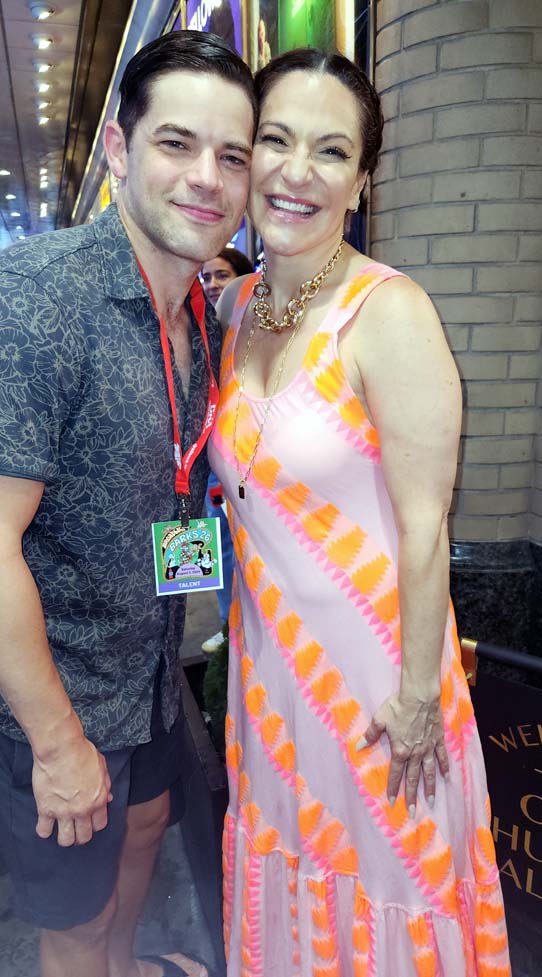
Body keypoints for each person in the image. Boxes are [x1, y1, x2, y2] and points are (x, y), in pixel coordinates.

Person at [209, 49, 511, 975]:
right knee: (289, 885)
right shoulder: (232, 308)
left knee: (390, 898)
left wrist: (420, 697)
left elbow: (428, 524)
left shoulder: (389, 312)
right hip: (268, 679)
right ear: (246, 153)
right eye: (276, 139)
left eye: (331, 151)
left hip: (382, 688)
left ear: (362, 179)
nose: (298, 172)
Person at [0, 30, 255, 977]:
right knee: (75, 914)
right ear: (118, 146)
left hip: (149, 672)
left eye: (232, 155)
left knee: (146, 832)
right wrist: (58, 744)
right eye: (177, 144)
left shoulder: (196, 309)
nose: (207, 178)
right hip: (57, 697)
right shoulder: (39, 297)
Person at [201, 248, 254, 653]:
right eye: (207, 277)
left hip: (249, 469)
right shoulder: (200, 327)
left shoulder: (251, 327)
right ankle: (227, 624)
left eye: (221, 275)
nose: (213, 284)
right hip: (207, 469)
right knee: (216, 554)